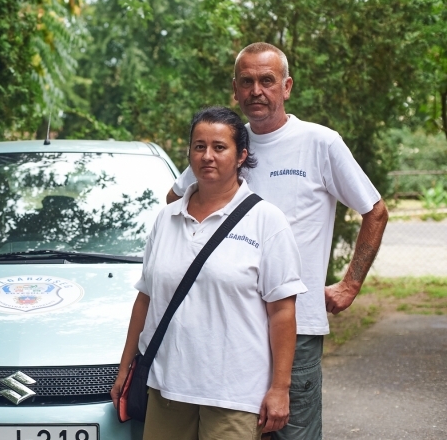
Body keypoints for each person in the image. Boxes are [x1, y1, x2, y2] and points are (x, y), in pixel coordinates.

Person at [166, 43, 389, 439]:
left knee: (293, 434)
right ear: (234, 90)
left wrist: (350, 284)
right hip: (230, 329)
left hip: (297, 326)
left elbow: (375, 210)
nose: (257, 91)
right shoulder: (227, 145)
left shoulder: (320, 143)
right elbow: (176, 200)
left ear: (286, 87)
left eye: (267, 81)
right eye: (247, 82)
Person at [112, 106, 307, 439]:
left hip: (233, 395)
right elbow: (145, 299)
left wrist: (279, 388)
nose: (207, 156)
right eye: (199, 146)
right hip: (166, 389)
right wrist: (124, 368)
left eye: (220, 147)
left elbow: (282, 311)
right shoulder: (166, 219)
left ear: (241, 155)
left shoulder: (266, 221)